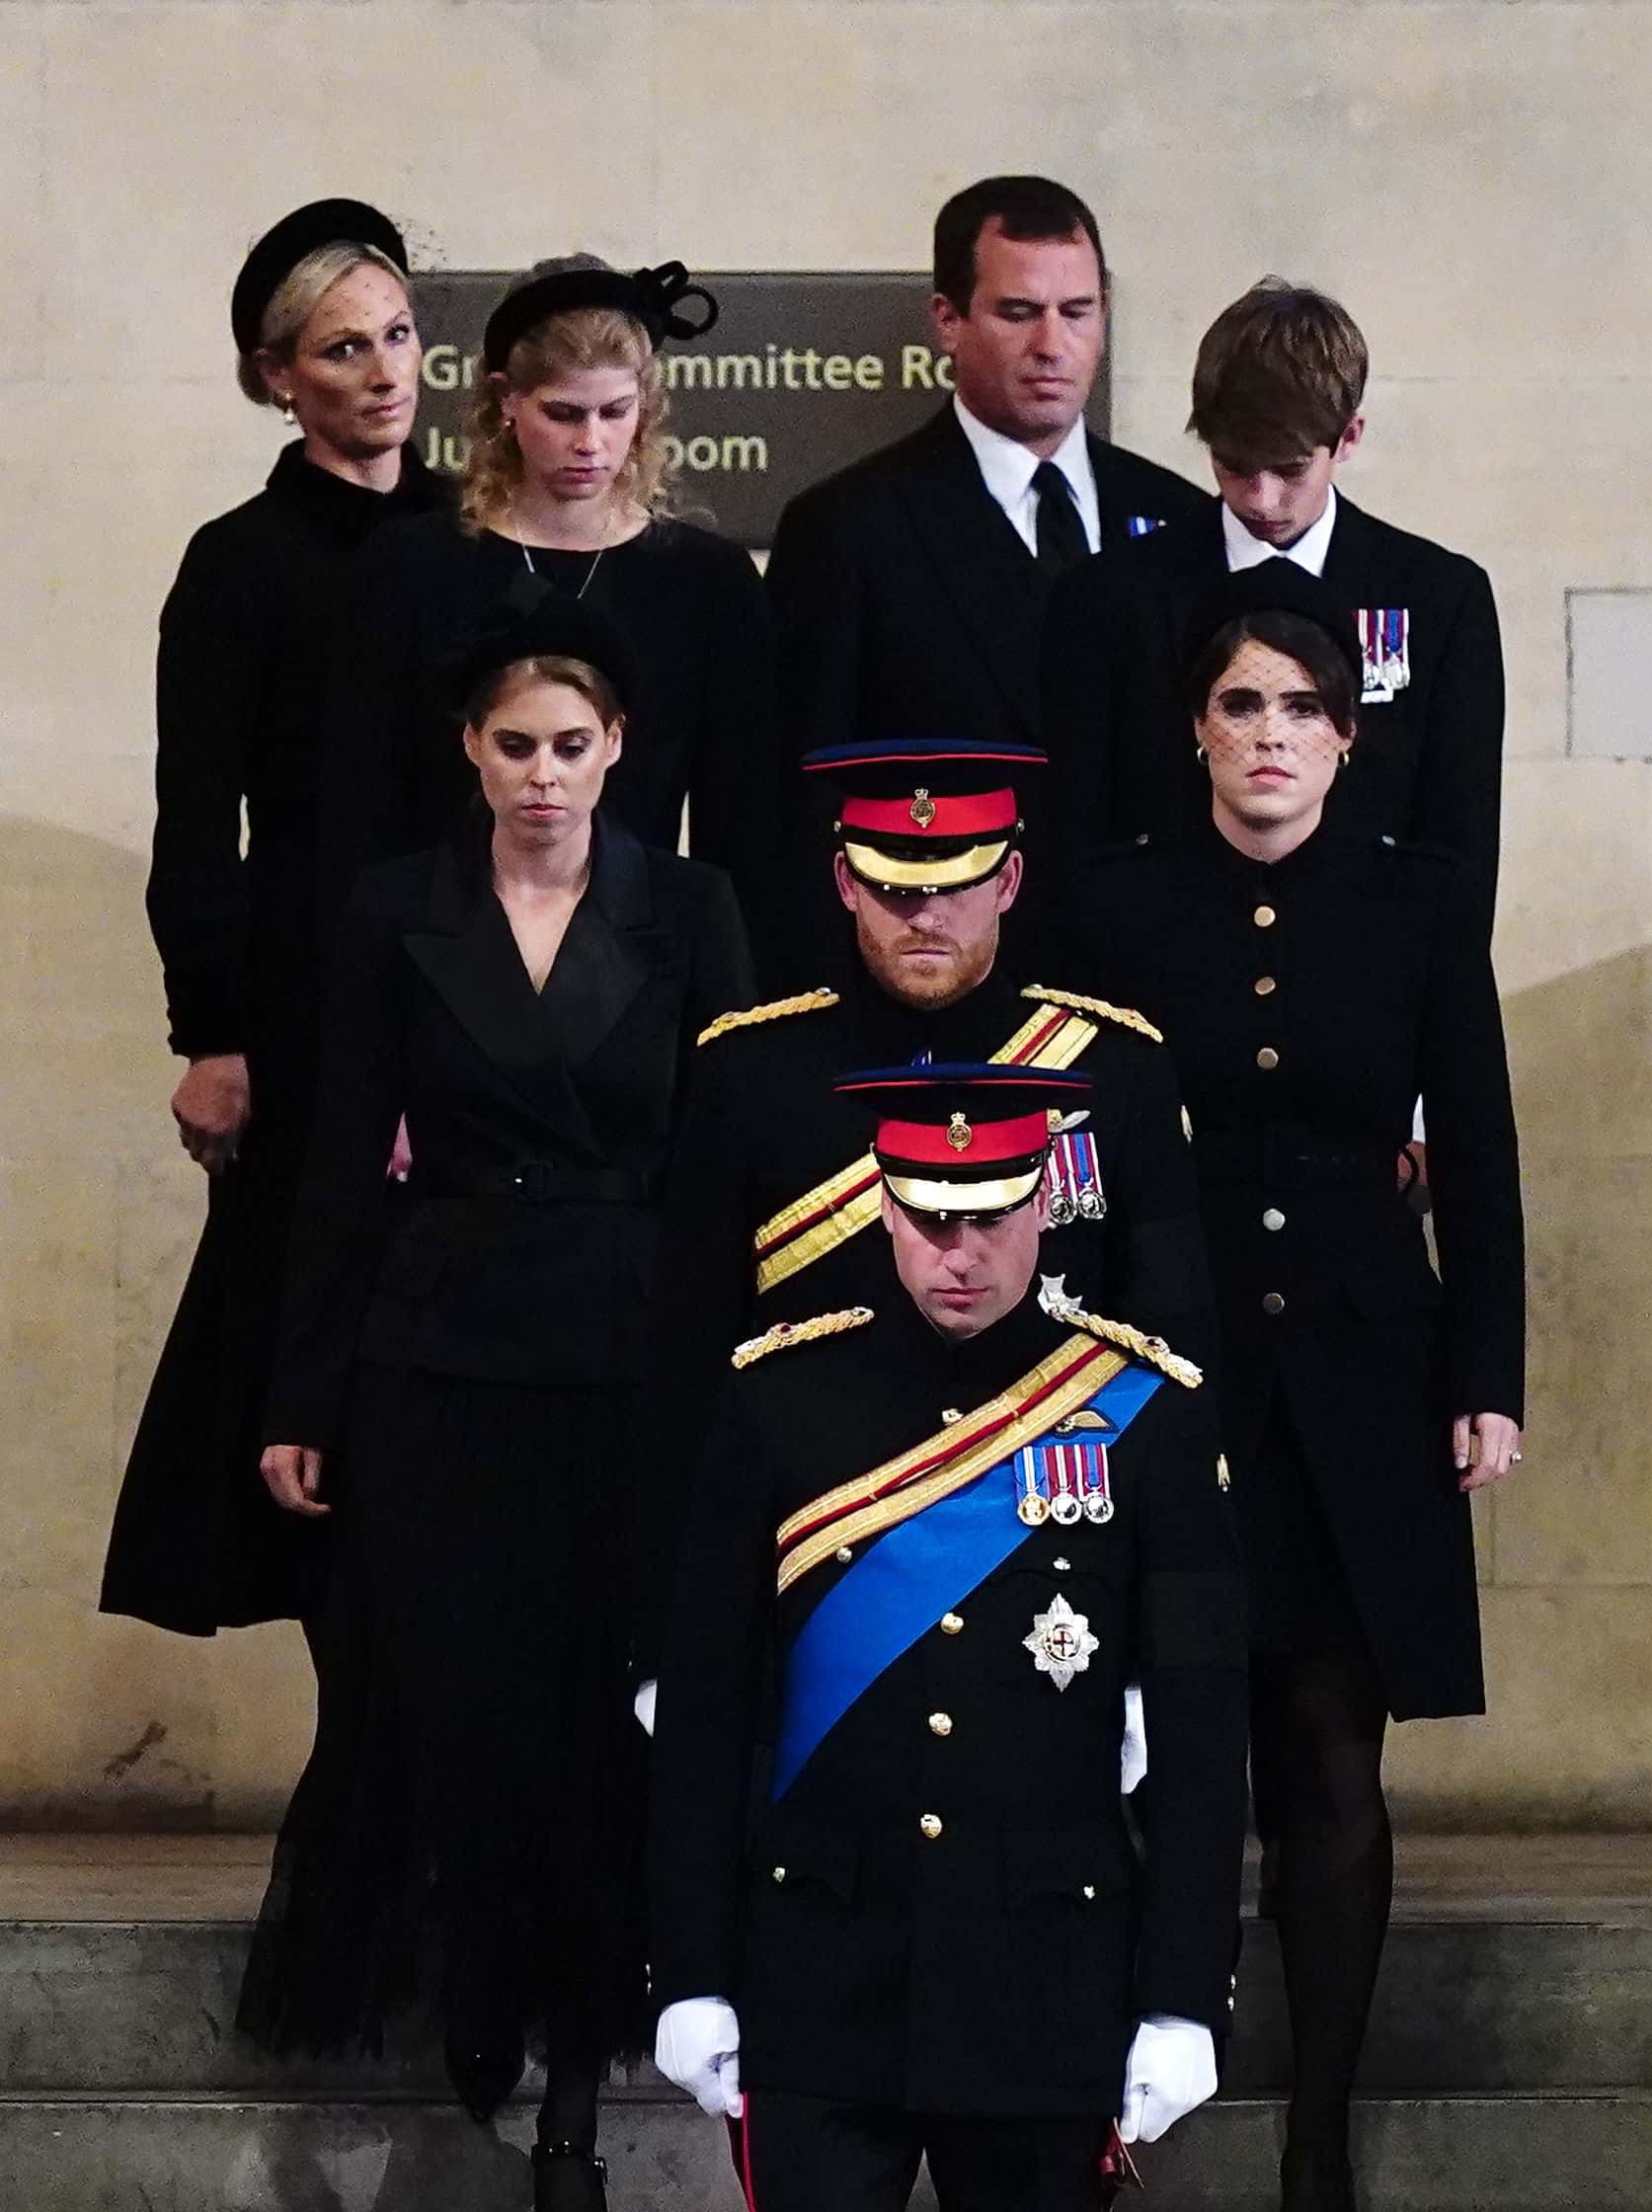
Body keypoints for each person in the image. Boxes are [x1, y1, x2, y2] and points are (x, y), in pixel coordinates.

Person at [235, 593, 752, 2212]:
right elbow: (338, 1163)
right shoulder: (400, 909)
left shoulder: (695, 907)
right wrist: (301, 1390)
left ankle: (584, 2091)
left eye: (572, 745)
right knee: (458, 1699)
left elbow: (739, 1156)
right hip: (437, 1350)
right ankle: (475, 1996)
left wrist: (760, 1373)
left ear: (619, 753)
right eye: (515, 744)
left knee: (607, 1721)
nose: (543, 772)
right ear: (470, 751)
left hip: (636, 1350)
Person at [1073, 564, 1526, 2212]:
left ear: (1349, 738)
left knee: (1333, 1755)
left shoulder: (1416, 902)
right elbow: (1068, 1149)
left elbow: (1473, 1148)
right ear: (1196, 729)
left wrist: (1487, 1375)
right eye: (1242, 704)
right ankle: (1112, 2111)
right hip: (1164, 1374)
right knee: (1138, 1746)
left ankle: (1317, 2140)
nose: (1272, 736)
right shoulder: (1110, 901)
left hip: (1360, 1368)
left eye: (1305, 710)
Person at [649, 1064, 1248, 2212]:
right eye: (926, 1219)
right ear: (883, 1208)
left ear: (1043, 1205)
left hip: (1046, 1986)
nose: (955, 1252)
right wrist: (690, 1971)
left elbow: (1201, 1733)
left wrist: (1183, 1992)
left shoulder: (1145, 1411)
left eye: (985, 1217)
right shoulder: (776, 1398)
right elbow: (705, 1718)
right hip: (817, 1975)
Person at [637, 738, 1212, 1640]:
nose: (926, 914)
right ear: (844, 881)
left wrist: (1158, 1641)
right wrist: (675, 1627)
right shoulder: (750, 1071)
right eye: (897, 888)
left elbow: (1168, 1346)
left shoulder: (1116, 1068)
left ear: (1011, 881)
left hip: (1047, 1554)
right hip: (819, 1557)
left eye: (956, 885)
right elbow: (687, 1360)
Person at [102, 198, 448, 1640]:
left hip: (487, 987)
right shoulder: (239, 562)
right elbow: (200, 825)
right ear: (278, 376)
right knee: (314, 1361)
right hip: (308, 1009)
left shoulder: (483, 538)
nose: (384, 372)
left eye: (402, 337)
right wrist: (214, 1032)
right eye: (343, 347)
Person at [766, 176, 1207, 963]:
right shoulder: (848, 527)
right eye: (1017, 312)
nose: (1052, 345)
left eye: (1077, 312)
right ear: (947, 319)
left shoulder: (1178, 515)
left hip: (1148, 975)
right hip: (941, 978)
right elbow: (796, 807)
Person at [315, 253, 776, 940]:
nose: (591, 443)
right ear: (506, 401)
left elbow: (742, 829)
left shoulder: (708, 582)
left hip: (642, 962)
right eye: (563, 414)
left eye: (615, 412)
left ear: (645, 408)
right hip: (441, 957)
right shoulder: (412, 566)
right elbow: (360, 805)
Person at [1043, 277, 1506, 930]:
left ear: (1347, 439)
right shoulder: (1109, 599)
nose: (1260, 499)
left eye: (1289, 470)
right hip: (1161, 975)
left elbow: (1458, 850)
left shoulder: (1437, 597)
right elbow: (1079, 843)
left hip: (1364, 978)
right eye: (1233, 465)